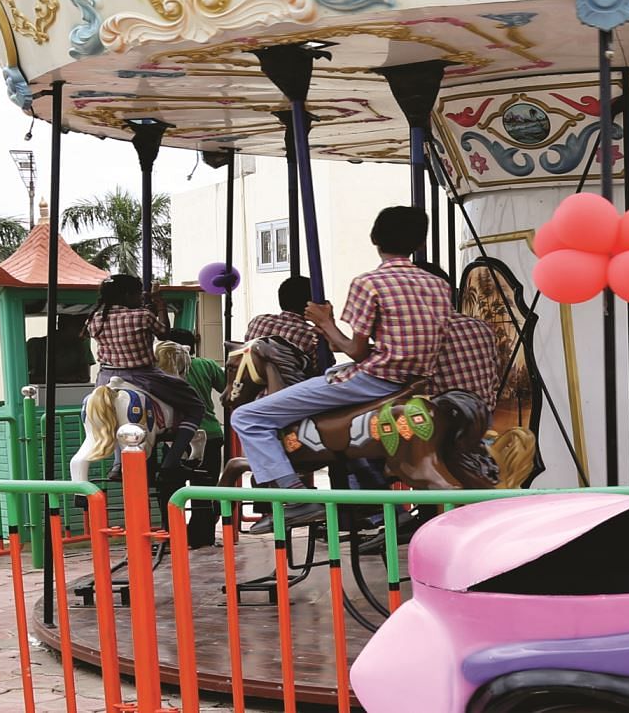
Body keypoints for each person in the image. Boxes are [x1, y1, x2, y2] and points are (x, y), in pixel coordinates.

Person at [230, 206, 452, 533]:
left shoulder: (369, 282)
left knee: (247, 417)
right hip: (415, 381)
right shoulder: (438, 286)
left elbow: (355, 351)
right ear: (420, 242)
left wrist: (325, 322)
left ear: (375, 239)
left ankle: (293, 496)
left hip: (372, 380)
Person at [83, 274, 205, 480]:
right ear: (127, 295)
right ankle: (172, 461)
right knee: (195, 406)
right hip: (143, 375)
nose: (140, 297)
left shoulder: (95, 319)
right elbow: (165, 334)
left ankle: (117, 464)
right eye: (137, 293)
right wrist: (159, 305)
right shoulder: (141, 315)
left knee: (109, 412)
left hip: (105, 377)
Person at [162, 329, 226, 548]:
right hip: (209, 433)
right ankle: (202, 537)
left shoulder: (160, 370)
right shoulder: (206, 365)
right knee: (205, 489)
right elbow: (227, 389)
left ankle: (173, 537)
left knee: (170, 489)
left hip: (173, 436)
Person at [244, 276, 323, 377]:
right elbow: (322, 372)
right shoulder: (312, 335)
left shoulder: (257, 321)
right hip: (290, 391)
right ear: (309, 304)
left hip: (250, 390)